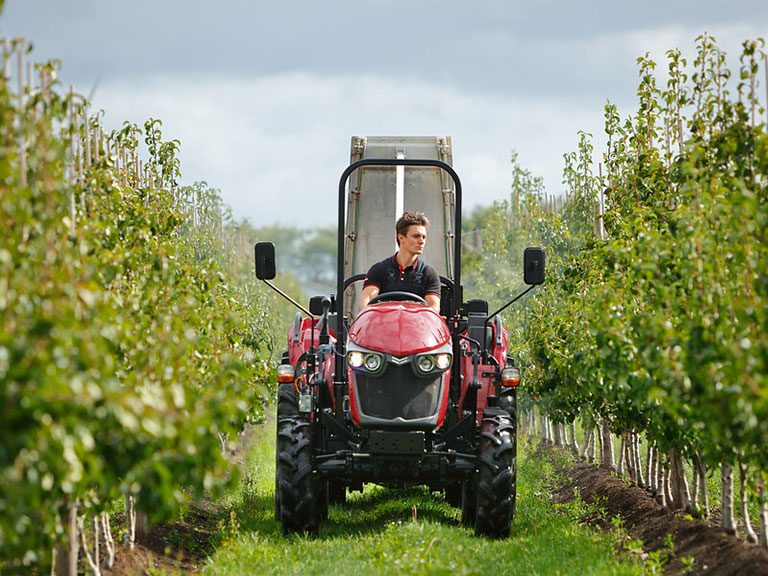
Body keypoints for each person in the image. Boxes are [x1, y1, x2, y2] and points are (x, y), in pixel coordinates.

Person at [359, 211, 442, 314]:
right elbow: (366, 301)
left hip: (416, 327)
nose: (421, 241)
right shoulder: (379, 269)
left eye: (424, 237)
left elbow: (433, 309)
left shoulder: (428, 274)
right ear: (401, 237)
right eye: (416, 236)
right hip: (383, 326)